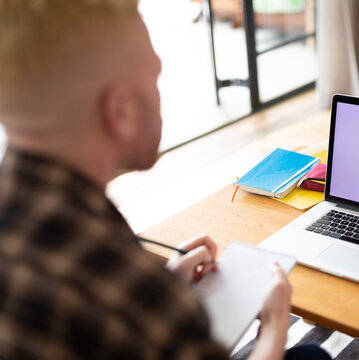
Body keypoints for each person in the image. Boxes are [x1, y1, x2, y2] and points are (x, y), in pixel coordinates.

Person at [0, 1, 331, 359]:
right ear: (121, 112)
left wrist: (164, 286)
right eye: (155, 77)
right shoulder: (113, 272)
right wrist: (274, 329)